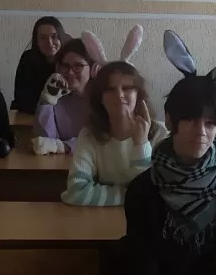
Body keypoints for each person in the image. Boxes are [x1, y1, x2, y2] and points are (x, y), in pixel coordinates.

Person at [122, 71, 216, 275]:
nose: (201, 132)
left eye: (210, 123)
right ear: (169, 121)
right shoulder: (142, 189)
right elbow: (144, 268)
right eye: (190, 120)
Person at [62, 62, 165, 206]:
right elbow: (76, 192)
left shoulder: (160, 134)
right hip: (102, 217)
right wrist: (132, 195)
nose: (119, 95)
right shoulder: (89, 135)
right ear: (101, 98)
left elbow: (160, 194)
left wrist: (141, 143)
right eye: (110, 89)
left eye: (127, 88)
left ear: (138, 94)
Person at [32, 38, 93, 153]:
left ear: (92, 68)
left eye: (78, 66)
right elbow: (44, 142)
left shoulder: (102, 98)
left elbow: (100, 141)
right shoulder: (57, 94)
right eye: (65, 66)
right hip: (60, 161)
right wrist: (47, 101)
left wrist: (64, 146)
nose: (70, 72)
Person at [11, 15, 65, 114]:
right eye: (43, 38)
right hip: (32, 114)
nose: (49, 42)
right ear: (37, 41)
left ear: (61, 38)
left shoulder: (70, 59)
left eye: (54, 37)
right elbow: (21, 98)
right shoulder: (28, 59)